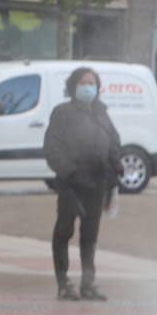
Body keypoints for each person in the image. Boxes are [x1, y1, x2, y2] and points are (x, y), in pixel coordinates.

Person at [43, 66, 120, 302]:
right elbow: (52, 148)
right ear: (73, 86)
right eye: (83, 83)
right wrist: (69, 170)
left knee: (90, 235)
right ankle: (63, 283)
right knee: (64, 231)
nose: (88, 88)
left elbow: (114, 141)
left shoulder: (101, 113)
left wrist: (115, 168)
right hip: (72, 184)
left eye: (92, 83)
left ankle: (88, 283)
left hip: (97, 184)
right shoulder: (62, 112)